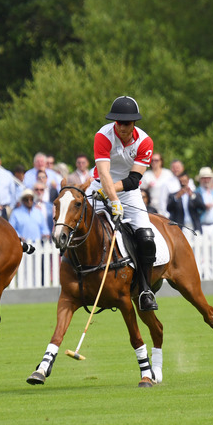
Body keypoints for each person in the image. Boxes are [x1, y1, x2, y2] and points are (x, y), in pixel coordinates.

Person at [87, 95, 159, 311]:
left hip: (128, 192)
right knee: (78, 228)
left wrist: (113, 196)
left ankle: (145, 290)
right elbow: (104, 173)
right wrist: (108, 195)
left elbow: (133, 180)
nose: (122, 127)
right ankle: (75, 279)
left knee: (146, 236)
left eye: (127, 123)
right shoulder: (103, 135)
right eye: (118, 122)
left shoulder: (145, 142)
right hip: (99, 185)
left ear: (134, 123)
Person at [166, 172, 204, 238]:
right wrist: (177, 197)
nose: (183, 183)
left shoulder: (195, 194)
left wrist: (192, 196)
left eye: (185, 181)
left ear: (188, 181)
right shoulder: (173, 195)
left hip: (194, 226)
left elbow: (202, 207)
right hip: (181, 227)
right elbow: (169, 209)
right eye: (181, 181)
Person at [140, 153, 174, 219]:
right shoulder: (146, 174)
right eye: (152, 160)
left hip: (166, 206)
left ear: (161, 161)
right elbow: (141, 190)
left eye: (156, 160)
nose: (154, 162)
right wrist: (147, 187)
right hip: (151, 206)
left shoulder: (168, 173)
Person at [196, 167, 213, 237]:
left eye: (208, 178)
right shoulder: (196, 193)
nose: (206, 180)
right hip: (202, 226)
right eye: (204, 178)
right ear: (200, 179)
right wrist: (203, 207)